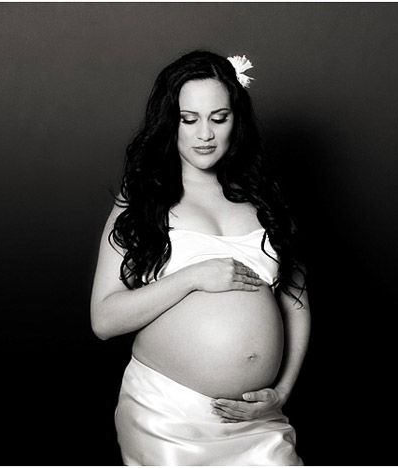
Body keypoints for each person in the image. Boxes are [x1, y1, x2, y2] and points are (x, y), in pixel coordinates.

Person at [90, 50, 310, 466]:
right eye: (188, 119)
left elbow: (296, 304)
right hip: (170, 420)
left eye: (218, 117)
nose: (204, 133)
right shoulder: (142, 201)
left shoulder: (264, 201)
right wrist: (193, 277)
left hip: (257, 422)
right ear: (169, 123)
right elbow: (103, 320)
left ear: (236, 121)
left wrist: (281, 391)